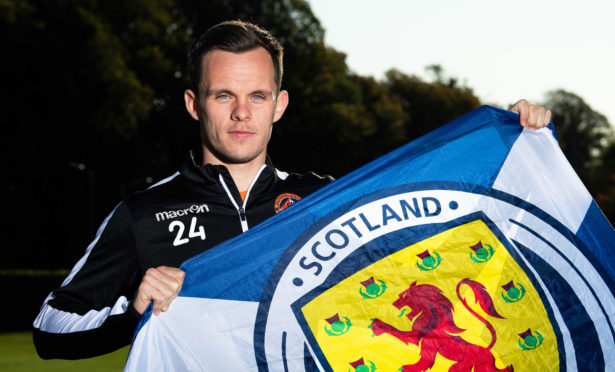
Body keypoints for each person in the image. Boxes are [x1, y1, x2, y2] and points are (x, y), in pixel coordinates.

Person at [32, 20, 552, 359]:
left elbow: (439, 250)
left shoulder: (327, 200)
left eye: (257, 95)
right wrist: (132, 308)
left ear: (279, 105)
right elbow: (48, 329)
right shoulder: (143, 212)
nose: (242, 113)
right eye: (223, 96)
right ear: (194, 104)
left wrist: (508, 147)